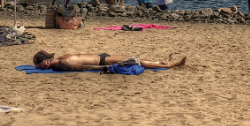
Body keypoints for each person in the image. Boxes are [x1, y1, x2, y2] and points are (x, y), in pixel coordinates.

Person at [32, 50, 186, 71]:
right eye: (40, 66)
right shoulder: (61, 64)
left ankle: (161, 62)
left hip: (102, 58)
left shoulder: (61, 61)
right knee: (136, 61)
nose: (43, 66)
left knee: (136, 59)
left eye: (41, 64)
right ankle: (172, 64)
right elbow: (85, 67)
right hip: (102, 61)